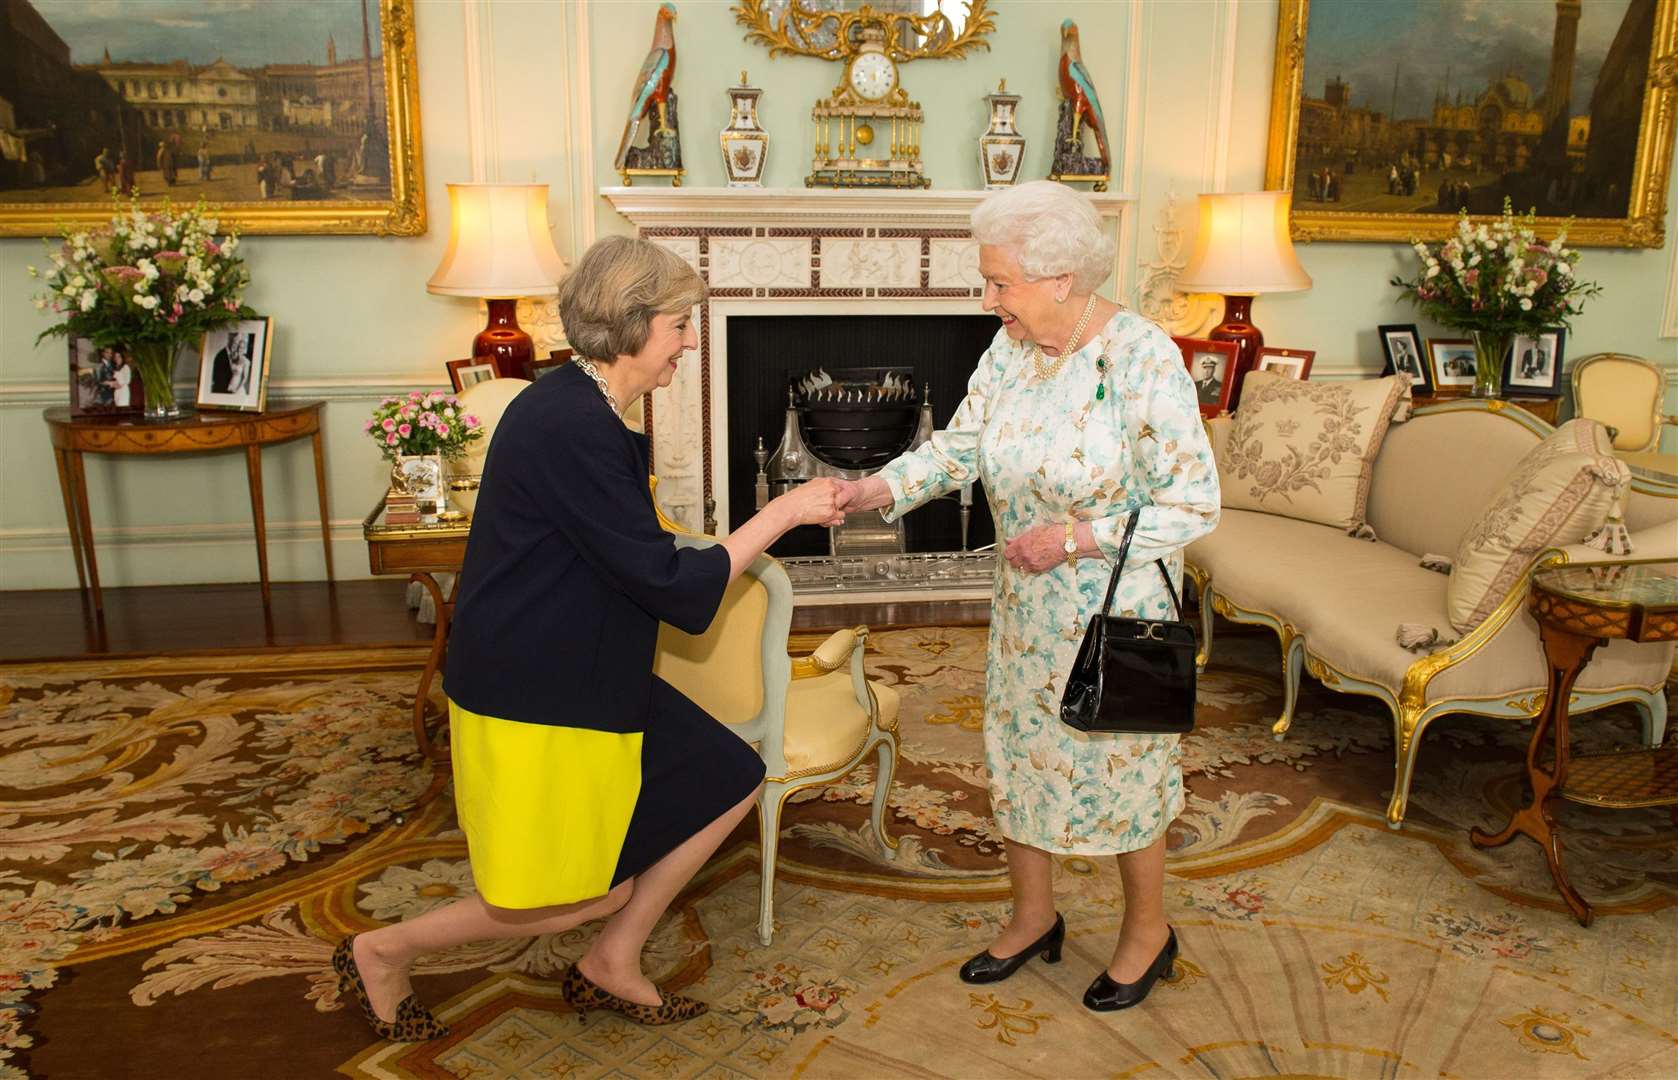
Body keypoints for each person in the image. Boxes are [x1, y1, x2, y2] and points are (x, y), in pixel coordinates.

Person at [333, 236, 849, 1041]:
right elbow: (675, 591)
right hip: (537, 685)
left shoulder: (584, 406)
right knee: (582, 891)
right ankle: (382, 950)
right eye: (681, 324)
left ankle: (612, 960)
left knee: (730, 773)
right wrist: (781, 514)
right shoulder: (570, 423)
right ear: (636, 323)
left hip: (586, 658)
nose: (689, 340)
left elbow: (632, 548)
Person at [832, 180, 1220, 1012]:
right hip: (1027, 608)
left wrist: (1072, 538)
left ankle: (1147, 931)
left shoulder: (1143, 358)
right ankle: (1033, 915)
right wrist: (871, 490)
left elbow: (1191, 501)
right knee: (1021, 755)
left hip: (1117, 610)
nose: (988, 299)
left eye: (1000, 282)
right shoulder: (1008, 352)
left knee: (1123, 766)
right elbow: (958, 450)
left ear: (1060, 280)